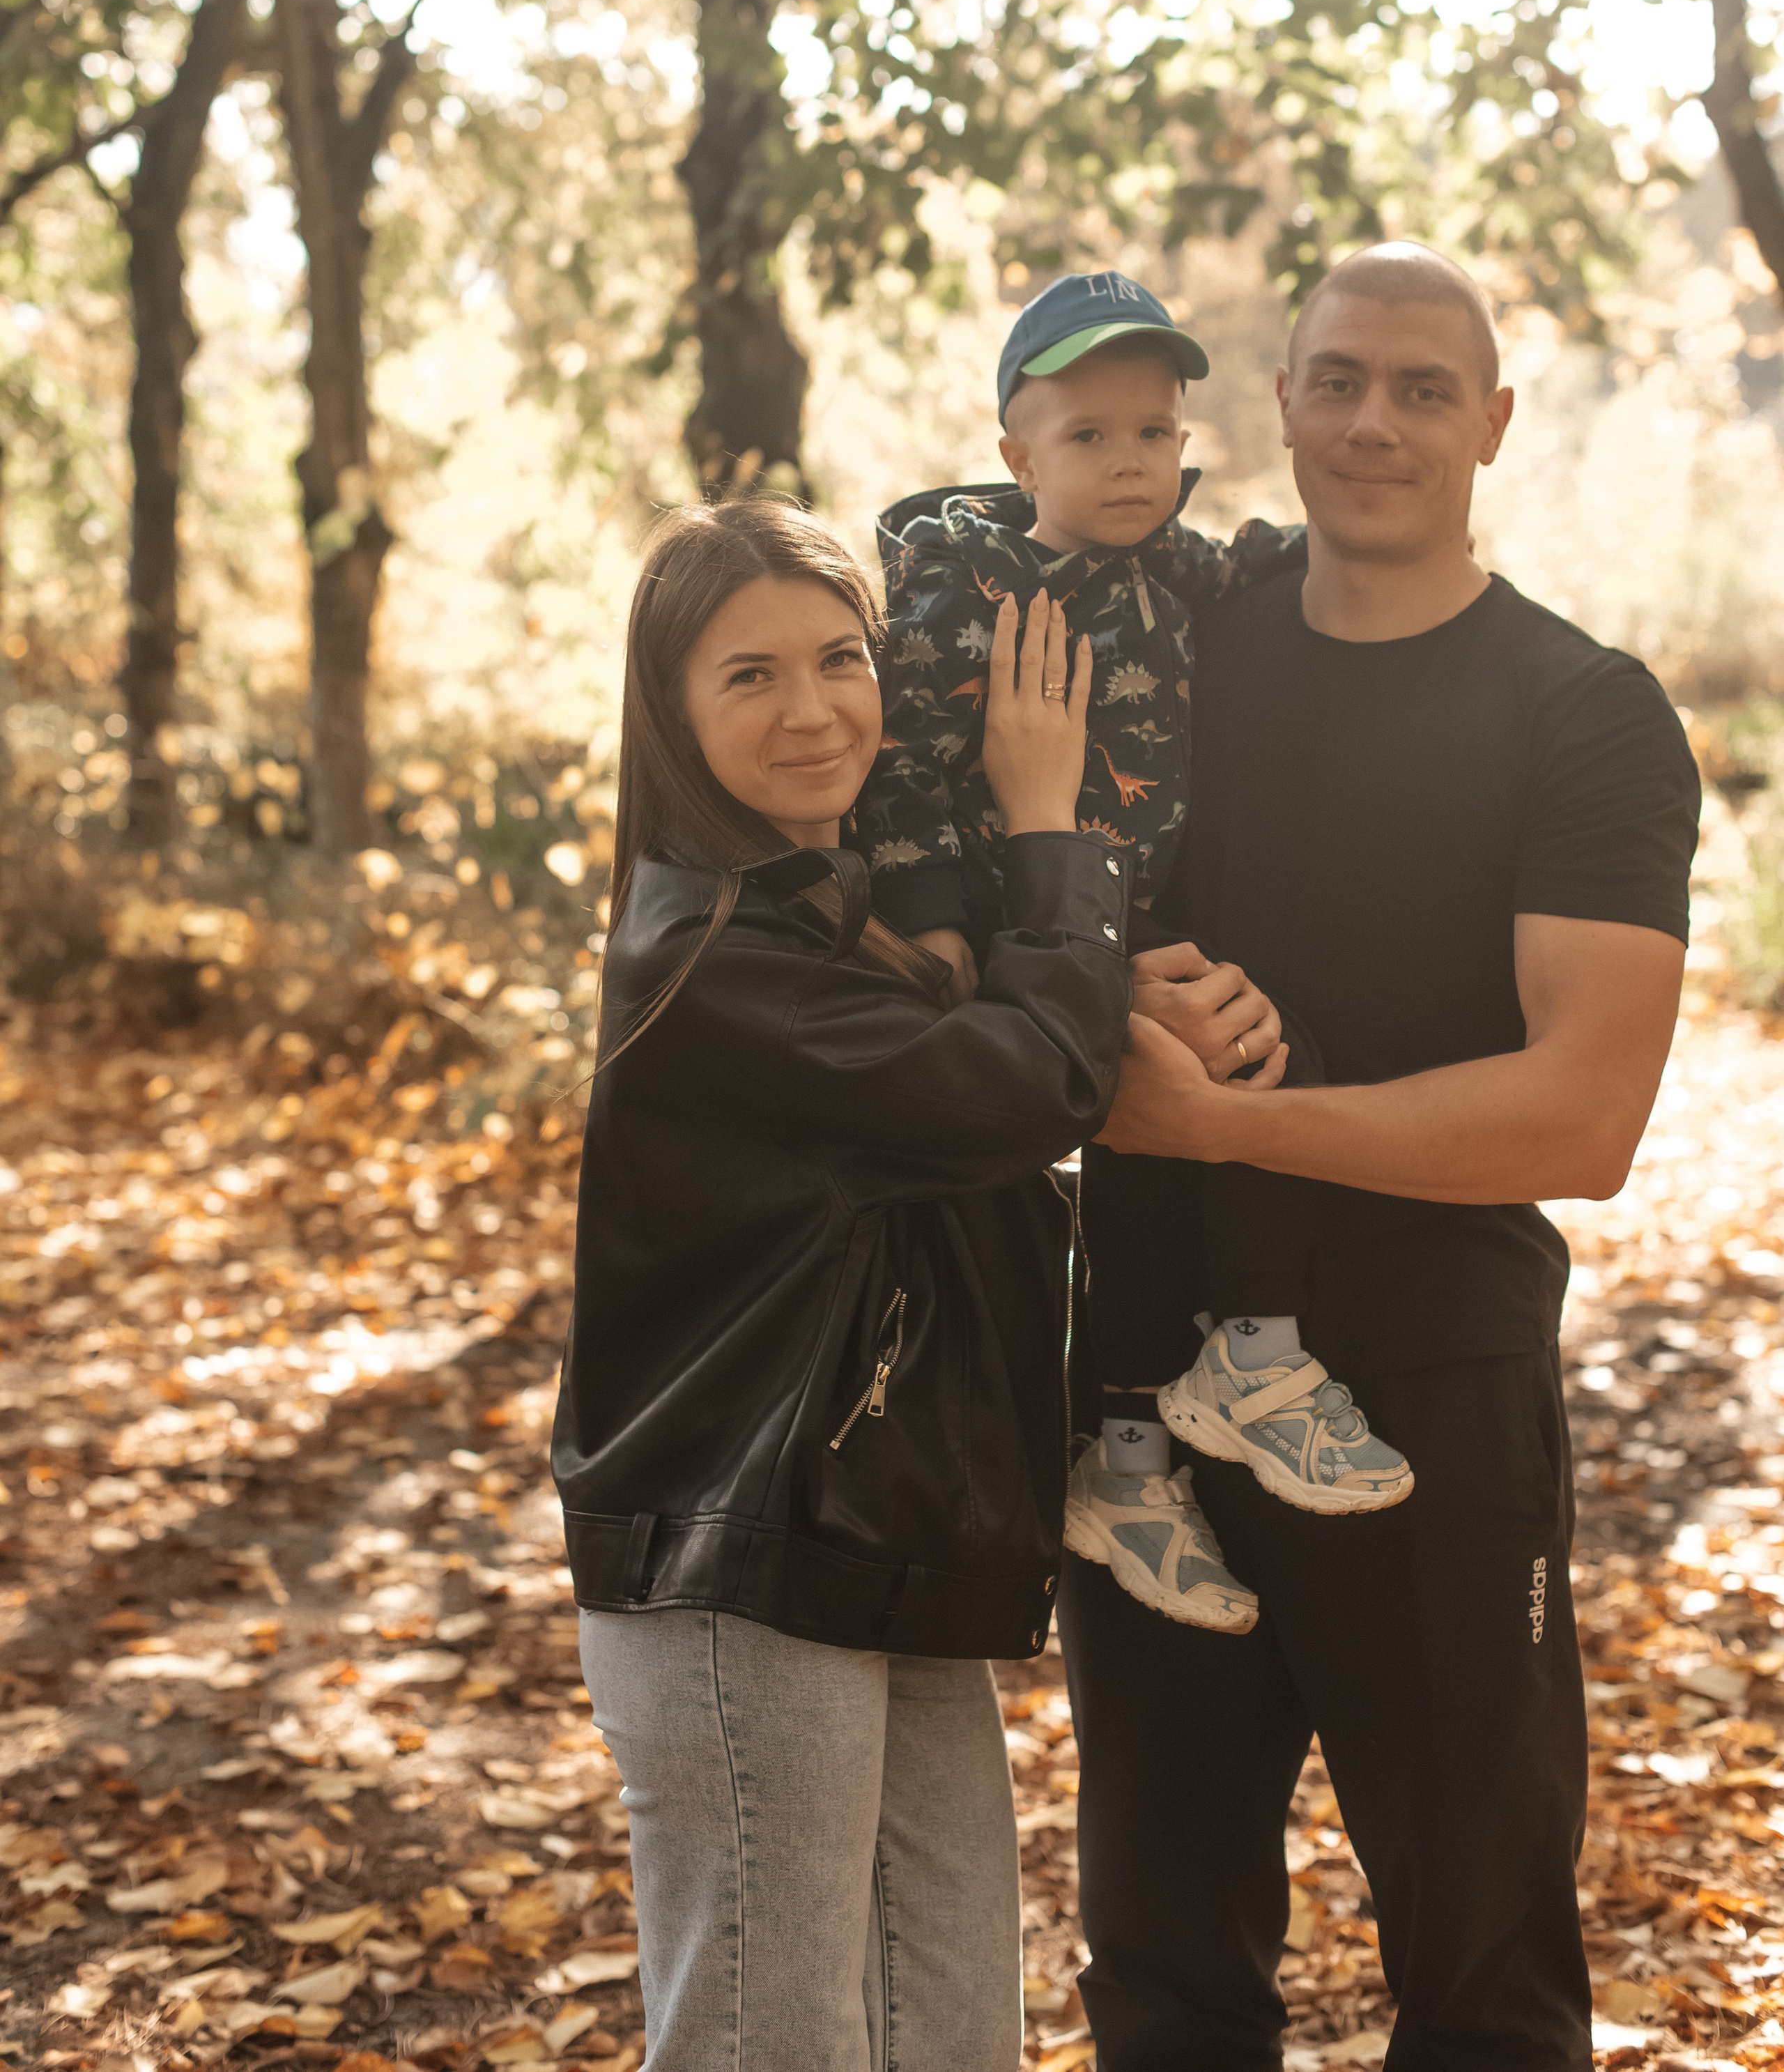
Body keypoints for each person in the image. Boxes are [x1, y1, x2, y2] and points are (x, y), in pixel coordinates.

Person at [1064, 242, 1702, 2072]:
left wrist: (1232, 1121)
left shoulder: (1582, 712)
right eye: (1338, 377)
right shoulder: (1173, 640)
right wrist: (1094, 978)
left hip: (1429, 1397)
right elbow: (983, 807)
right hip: (1149, 1401)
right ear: (1277, 398)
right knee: (1164, 1978)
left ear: (1494, 424)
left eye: (1425, 389)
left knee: (1485, 1979)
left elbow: (1582, 1114)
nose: (1374, 421)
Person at [551, 496, 1131, 2072]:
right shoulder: (715, 957)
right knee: (768, 2039)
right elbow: (1027, 1087)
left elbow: (1012, 1064)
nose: (812, 709)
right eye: (748, 675)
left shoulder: (852, 918)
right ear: (670, 711)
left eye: (839, 658)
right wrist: (1046, 827)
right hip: (740, 1566)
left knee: (947, 2024)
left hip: (880, 1529)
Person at [859, 268, 1409, 1641]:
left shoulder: (1171, 565)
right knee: (1201, 1087)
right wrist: (942, 930)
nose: (1130, 462)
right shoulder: (956, 595)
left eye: (1155, 434)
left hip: (1121, 914)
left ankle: (1134, 1446)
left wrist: (1348, 541)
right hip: (1012, 924)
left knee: (1215, 1082)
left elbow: (1261, 558)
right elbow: (911, 772)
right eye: (1091, 436)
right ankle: (1244, 1360)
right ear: (1015, 455)